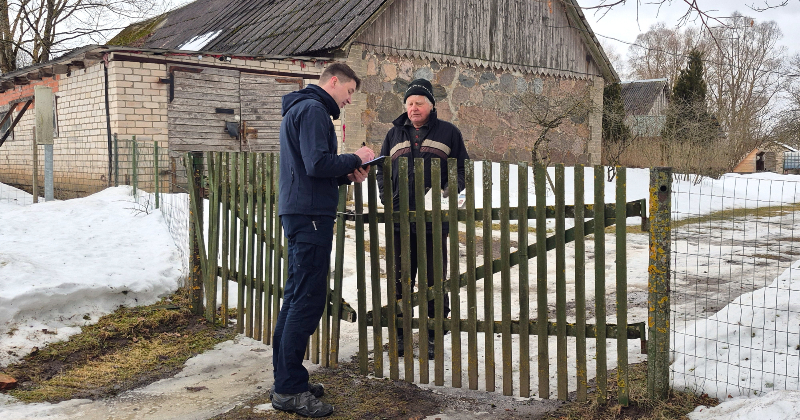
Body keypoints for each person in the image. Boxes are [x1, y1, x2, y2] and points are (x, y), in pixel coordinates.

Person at [271, 63, 375, 418]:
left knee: (296, 297)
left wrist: (345, 173)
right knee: (307, 300)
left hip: (302, 211)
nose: (348, 101)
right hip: (311, 217)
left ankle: (288, 380)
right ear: (334, 81)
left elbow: (311, 168)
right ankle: (288, 389)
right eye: (349, 92)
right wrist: (357, 158)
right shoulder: (314, 109)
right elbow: (317, 163)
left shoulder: (299, 108)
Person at [376, 78, 469, 360]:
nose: (414, 108)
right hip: (399, 220)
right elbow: (381, 169)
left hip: (433, 222)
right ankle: (401, 334)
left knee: (433, 279)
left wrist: (448, 190)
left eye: (419, 103)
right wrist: (386, 199)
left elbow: (462, 169)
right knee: (400, 278)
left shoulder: (449, 133)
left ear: (431, 106)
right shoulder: (393, 134)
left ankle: (432, 334)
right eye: (410, 103)